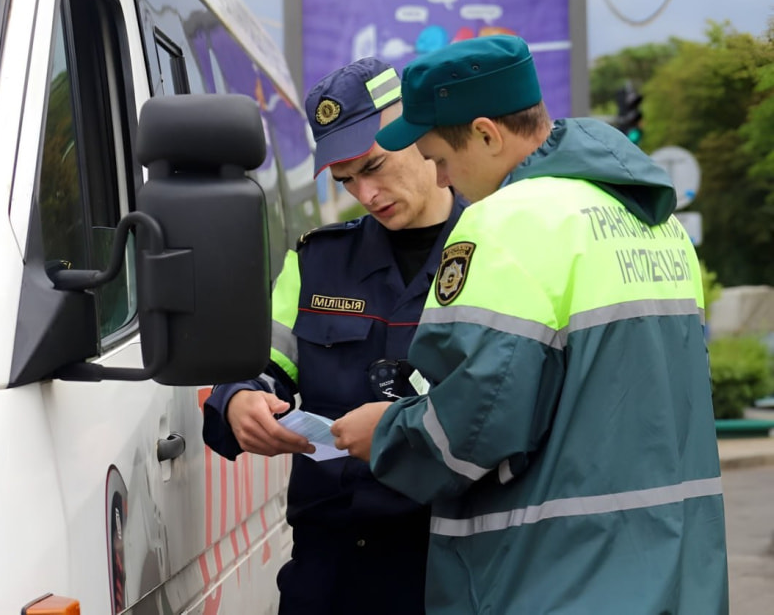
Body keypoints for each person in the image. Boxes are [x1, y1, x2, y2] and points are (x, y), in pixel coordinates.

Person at [330, 35, 729, 614]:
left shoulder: (506, 222)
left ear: (487, 134)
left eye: (438, 158)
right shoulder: (656, 223)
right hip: (676, 577)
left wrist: (386, 433)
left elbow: (473, 426)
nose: (440, 179)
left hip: (555, 580)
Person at [202, 57, 466, 615]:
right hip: (333, 573)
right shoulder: (317, 263)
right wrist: (241, 398)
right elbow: (262, 365)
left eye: (374, 165)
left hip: (453, 570)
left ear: (417, 129)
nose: (365, 193)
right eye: (346, 180)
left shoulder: (496, 249)